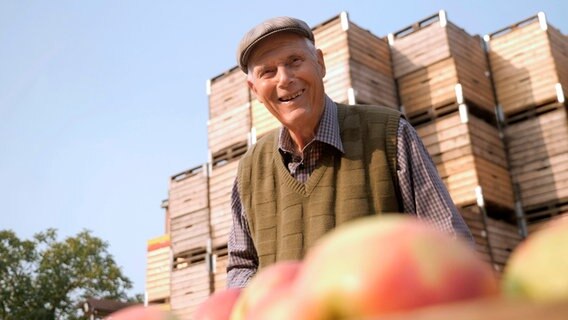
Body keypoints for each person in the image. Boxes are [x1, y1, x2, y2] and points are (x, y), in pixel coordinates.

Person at [226, 16, 473, 288]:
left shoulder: (390, 135)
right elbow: (242, 266)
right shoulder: (250, 169)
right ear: (255, 90)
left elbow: (447, 242)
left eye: (294, 61)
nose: (284, 79)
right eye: (268, 72)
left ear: (320, 63)